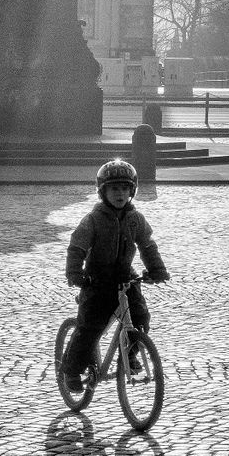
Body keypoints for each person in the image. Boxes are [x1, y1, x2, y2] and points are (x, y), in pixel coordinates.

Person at [61, 160, 170, 391]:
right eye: (114, 189)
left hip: (125, 277)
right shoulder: (93, 220)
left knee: (140, 318)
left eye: (124, 188)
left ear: (132, 191)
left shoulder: (135, 219)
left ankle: (129, 353)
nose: (120, 194)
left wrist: (157, 270)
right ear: (103, 192)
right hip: (97, 280)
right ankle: (71, 370)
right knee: (90, 328)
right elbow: (77, 247)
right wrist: (75, 273)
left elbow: (147, 245)